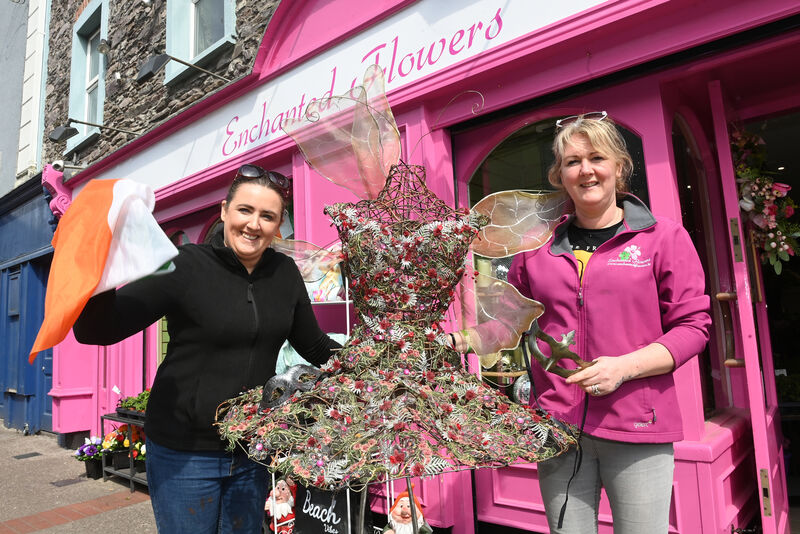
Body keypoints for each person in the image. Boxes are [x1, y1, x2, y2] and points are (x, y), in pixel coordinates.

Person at [73, 164, 341, 534]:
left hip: (251, 450)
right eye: (245, 210)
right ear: (224, 211)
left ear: (278, 225)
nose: (254, 224)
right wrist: (99, 268)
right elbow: (98, 329)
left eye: (268, 216)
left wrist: (376, 361)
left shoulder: (284, 274)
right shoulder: (185, 266)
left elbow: (314, 345)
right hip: (184, 453)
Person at [500, 112, 710, 533]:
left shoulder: (662, 238)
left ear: (618, 165)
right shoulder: (534, 250)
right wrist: (449, 338)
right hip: (558, 428)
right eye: (572, 161)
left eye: (596, 157)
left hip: (637, 425)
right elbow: (508, 323)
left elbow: (693, 327)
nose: (586, 170)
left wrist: (623, 367)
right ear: (559, 174)